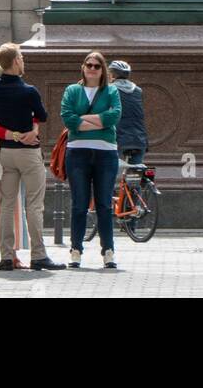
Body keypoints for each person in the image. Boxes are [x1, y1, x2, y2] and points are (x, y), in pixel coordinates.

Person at [0, 42, 64, 272]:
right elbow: (42, 115)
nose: (23, 60)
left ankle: (6, 257)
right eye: (22, 57)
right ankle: (38, 255)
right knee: (34, 206)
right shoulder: (29, 91)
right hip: (28, 152)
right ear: (15, 61)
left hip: (5, 152)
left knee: (6, 204)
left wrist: (13, 135)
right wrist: (31, 131)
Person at [61, 51, 122, 270]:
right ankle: (76, 250)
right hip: (77, 153)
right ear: (83, 67)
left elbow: (114, 116)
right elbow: (68, 119)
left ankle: (108, 251)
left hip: (106, 153)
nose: (93, 69)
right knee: (79, 204)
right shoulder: (72, 90)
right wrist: (99, 122)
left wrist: (82, 121)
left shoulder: (111, 90)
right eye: (89, 64)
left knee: (104, 205)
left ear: (102, 69)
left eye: (97, 66)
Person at [108, 60, 149, 163]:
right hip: (139, 139)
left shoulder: (109, 90)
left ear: (112, 74)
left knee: (107, 173)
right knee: (135, 171)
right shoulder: (138, 91)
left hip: (117, 138)